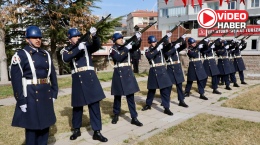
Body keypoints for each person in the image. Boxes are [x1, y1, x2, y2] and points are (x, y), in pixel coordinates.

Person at [9, 25, 58, 145]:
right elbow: (16, 80)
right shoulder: (20, 55)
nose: (38, 40)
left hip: (45, 93)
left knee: (45, 126)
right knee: (32, 128)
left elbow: (52, 75)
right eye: (34, 37)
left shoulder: (46, 54)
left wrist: (54, 92)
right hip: (30, 95)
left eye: (39, 37)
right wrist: (21, 100)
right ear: (27, 39)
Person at [61, 27, 108, 142]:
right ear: (69, 39)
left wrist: (95, 36)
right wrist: (77, 49)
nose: (77, 38)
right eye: (75, 36)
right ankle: (76, 129)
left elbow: (97, 45)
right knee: (77, 106)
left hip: (90, 76)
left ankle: (97, 131)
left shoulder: (86, 45)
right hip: (77, 78)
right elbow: (66, 58)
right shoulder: (66, 50)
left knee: (94, 105)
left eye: (78, 35)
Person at [109, 33, 143, 126]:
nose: (121, 39)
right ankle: (116, 114)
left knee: (130, 97)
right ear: (114, 40)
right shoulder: (113, 49)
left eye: (121, 38)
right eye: (119, 38)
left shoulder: (126, 46)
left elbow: (136, 46)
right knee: (117, 96)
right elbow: (118, 58)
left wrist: (138, 38)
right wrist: (126, 48)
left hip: (128, 73)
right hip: (118, 73)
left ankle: (134, 117)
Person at [141, 35, 174, 115]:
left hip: (162, 69)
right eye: (152, 42)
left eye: (155, 41)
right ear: (149, 42)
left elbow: (168, 47)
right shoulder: (147, 50)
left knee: (165, 90)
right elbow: (149, 55)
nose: (154, 43)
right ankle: (148, 104)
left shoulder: (161, 48)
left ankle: (166, 107)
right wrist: (157, 49)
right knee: (151, 90)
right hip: (154, 70)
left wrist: (167, 39)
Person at [163, 34, 189, 107]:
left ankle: (181, 100)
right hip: (170, 67)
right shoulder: (164, 48)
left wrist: (183, 39)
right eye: (168, 39)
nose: (169, 39)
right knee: (169, 87)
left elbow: (184, 46)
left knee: (179, 86)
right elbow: (167, 54)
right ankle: (165, 101)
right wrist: (174, 48)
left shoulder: (174, 45)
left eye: (169, 38)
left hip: (177, 67)